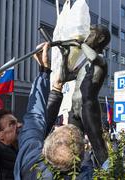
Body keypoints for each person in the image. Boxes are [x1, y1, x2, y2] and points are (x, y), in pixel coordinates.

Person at [14, 42, 94, 179]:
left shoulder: (30, 164)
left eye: (56, 131)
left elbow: (35, 117)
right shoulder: (87, 173)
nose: (57, 127)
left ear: (45, 150)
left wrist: (44, 71)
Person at [67, 24, 111, 166]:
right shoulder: (84, 62)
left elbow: (93, 57)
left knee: (97, 144)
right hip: (74, 108)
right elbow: (65, 75)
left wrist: (80, 44)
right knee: (72, 145)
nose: (87, 37)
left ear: (101, 38)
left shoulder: (101, 60)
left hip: (88, 106)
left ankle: (109, 174)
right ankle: (73, 173)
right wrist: (64, 54)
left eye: (91, 34)